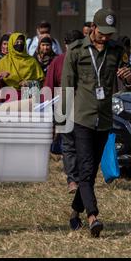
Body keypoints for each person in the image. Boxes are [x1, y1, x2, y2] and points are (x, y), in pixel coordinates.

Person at [61, 8, 131, 237]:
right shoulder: (76, 51)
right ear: (93, 27)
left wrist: (129, 78)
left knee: (90, 171)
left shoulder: (117, 51)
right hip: (82, 117)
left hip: (103, 119)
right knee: (85, 168)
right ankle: (93, 216)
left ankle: (75, 212)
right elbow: (66, 88)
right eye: (102, 32)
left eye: (109, 33)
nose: (105, 37)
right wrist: (62, 120)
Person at [45, 30, 84, 194]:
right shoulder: (63, 61)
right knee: (73, 144)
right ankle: (75, 179)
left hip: (76, 108)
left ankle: (74, 180)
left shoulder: (60, 60)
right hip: (73, 107)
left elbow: (48, 87)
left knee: (71, 145)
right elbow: (49, 87)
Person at [0, 33, 44, 97]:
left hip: (28, 97)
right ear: (11, 43)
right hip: (8, 97)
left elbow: (41, 81)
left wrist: (29, 83)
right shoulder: (4, 61)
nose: (19, 44)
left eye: (21, 42)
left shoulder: (32, 61)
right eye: (17, 42)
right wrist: (0, 75)